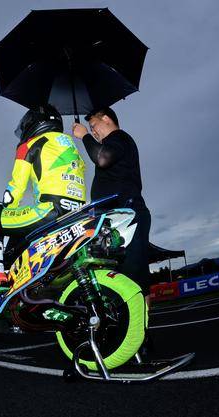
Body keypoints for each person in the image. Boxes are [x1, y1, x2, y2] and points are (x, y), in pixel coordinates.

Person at [0, 104, 86, 297]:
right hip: (76, 213)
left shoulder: (30, 144)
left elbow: (15, 189)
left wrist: (4, 209)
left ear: (33, 123)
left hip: (49, 211)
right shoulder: (71, 146)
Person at [72, 107, 152, 299]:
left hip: (128, 215)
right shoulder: (112, 144)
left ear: (106, 119)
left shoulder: (119, 137)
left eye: (93, 125)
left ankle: (141, 318)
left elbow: (102, 158)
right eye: (90, 129)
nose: (93, 131)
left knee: (135, 279)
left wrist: (84, 135)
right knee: (118, 280)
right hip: (115, 220)